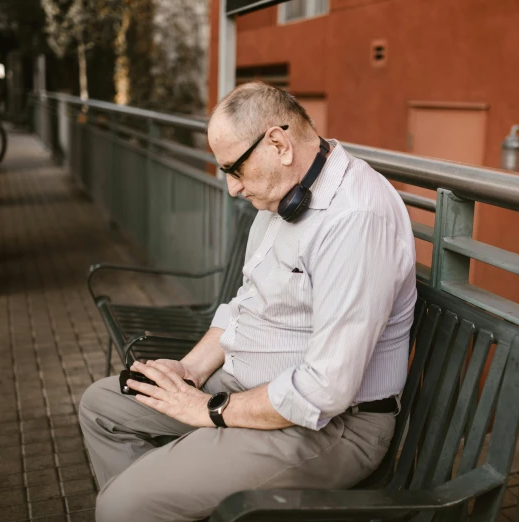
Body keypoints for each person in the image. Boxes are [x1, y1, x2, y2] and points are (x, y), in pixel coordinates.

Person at [79, 82, 417, 521]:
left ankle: (144, 502)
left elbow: (323, 391)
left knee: (121, 507)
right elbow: (244, 304)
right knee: (102, 406)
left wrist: (208, 409)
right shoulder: (284, 197)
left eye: (234, 169)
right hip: (244, 390)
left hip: (331, 426)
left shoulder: (355, 219)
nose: (232, 188)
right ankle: (159, 499)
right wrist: (191, 370)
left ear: (278, 142)